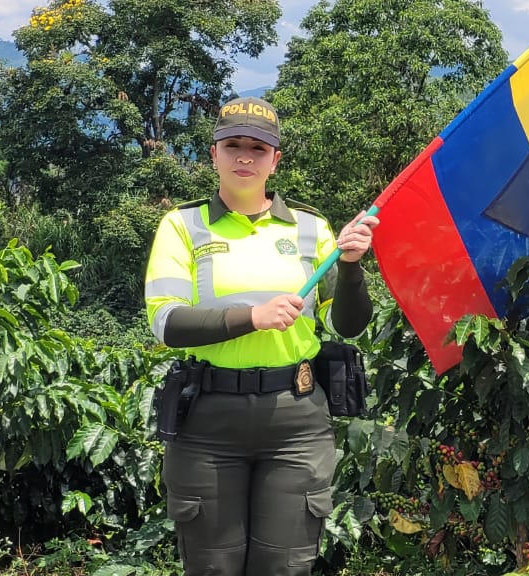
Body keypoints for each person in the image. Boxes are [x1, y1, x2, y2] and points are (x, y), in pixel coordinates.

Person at [143, 96, 379, 576]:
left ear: (276, 159)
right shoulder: (182, 226)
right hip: (208, 421)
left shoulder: (314, 229)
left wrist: (351, 268)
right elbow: (166, 323)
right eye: (233, 146)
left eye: (258, 147)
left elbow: (346, 325)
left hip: (296, 421)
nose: (245, 157)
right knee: (212, 569)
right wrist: (251, 316)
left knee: (285, 568)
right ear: (213, 154)